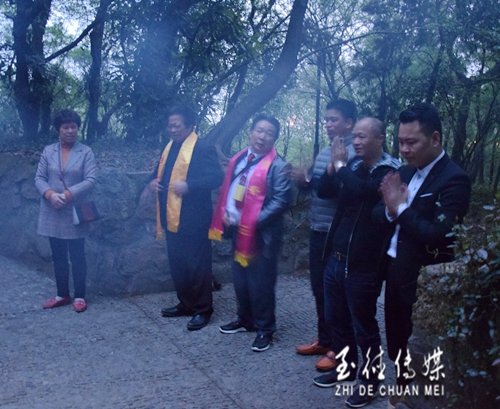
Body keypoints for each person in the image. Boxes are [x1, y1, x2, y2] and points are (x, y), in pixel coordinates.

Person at [376, 103, 471, 408]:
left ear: (435, 138)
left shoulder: (454, 179)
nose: (404, 150)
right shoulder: (405, 171)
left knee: (421, 342)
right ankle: (403, 385)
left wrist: (401, 208)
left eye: (411, 142)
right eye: (400, 142)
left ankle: (424, 395)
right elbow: (380, 214)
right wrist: (391, 209)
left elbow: (438, 233)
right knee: (395, 335)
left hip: (424, 277)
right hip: (394, 268)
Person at [313, 118, 400, 407]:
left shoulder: (389, 170)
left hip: (364, 264)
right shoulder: (352, 166)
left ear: (380, 138)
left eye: (363, 137)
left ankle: (370, 381)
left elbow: (363, 192)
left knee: (364, 325)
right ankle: (346, 368)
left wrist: (340, 167)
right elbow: (326, 191)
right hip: (336, 257)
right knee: (335, 319)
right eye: (355, 137)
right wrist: (332, 168)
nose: (357, 142)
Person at [210, 113, 292, 352]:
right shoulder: (239, 159)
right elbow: (229, 190)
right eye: (259, 130)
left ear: (274, 139)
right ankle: (245, 319)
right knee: (241, 279)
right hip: (238, 231)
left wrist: (251, 220)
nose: (262, 136)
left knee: (261, 284)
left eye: (269, 133)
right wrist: (226, 213)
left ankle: (265, 328)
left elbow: (281, 201)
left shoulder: (278, 166)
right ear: (251, 132)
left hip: (262, 236)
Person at [293, 99, 357, 373]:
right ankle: (325, 339)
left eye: (334, 120)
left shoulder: (353, 152)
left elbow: (342, 191)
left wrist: (328, 174)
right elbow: (318, 186)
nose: (328, 124)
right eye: (327, 120)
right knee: (319, 288)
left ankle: (339, 349)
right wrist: (304, 181)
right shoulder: (325, 151)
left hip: (338, 234)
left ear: (349, 123)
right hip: (318, 229)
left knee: (337, 294)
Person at [150, 105, 223, 331]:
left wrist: (189, 186)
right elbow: (158, 174)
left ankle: (203, 309)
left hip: (194, 219)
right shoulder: (169, 147)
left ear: (190, 125)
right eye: (170, 126)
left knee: (197, 266)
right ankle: (186, 303)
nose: (172, 130)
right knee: (178, 264)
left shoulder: (202, 147)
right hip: (171, 217)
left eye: (177, 126)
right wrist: (153, 182)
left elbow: (216, 177)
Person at [35, 109, 97, 313]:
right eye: (66, 127)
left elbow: (91, 179)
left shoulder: (85, 152)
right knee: (58, 255)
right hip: (52, 209)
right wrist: (50, 194)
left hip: (74, 211)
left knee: (77, 255)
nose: (70, 131)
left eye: (74, 127)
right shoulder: (48, 151)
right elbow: (39, 178)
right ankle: (62, 294)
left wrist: (68, 194)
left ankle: (79, 296)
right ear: (58, 130)